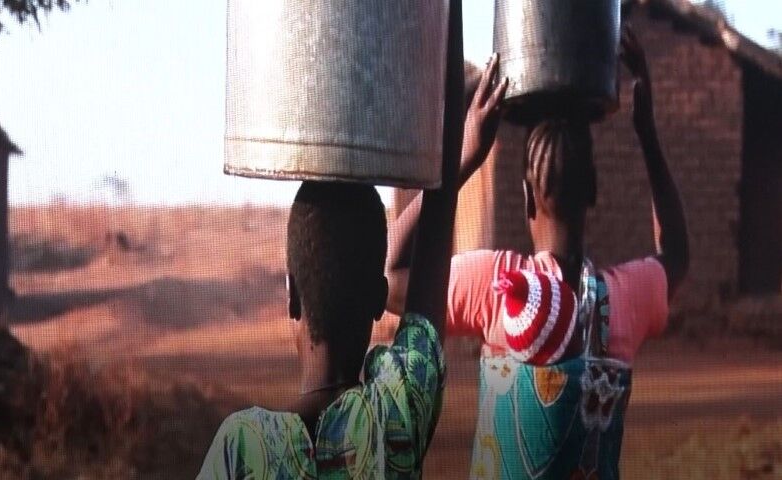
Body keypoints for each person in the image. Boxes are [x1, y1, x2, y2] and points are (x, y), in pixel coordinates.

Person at [197, 4, 504, 477]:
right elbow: (436, 230)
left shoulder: (242, 450)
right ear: (380, 300)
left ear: (291, 295)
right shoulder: (397, 417)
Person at [386, 27, 689, 479]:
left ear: (527, 198)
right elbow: (677, 254)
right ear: (594, 192)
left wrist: (462, 160)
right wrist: (647, 134)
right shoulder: (624, 299)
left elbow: (391, 277)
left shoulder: (496, 288)